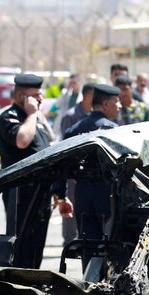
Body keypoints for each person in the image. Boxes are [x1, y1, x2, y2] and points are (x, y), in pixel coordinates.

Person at [0, 73, 73, 266]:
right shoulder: (9, 117)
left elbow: (47, 156)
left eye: (41, 95)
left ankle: (32, 281)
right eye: (36, 95)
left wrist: (59, 194)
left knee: (36, 246)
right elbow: (22, 141)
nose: (40, 99)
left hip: (41, 193)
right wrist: (31, 114)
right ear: (21, 95)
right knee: (21, 246)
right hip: (21, 195)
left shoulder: (37, 121)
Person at [63, 84, 122, 268]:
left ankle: (88, 285)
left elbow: (60, 161)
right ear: (105, 104)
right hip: (108, 195)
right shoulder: (115, 131)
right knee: (111, 244)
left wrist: (59, 194)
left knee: (88, 243)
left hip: (82, 194)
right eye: (116, 101)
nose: (119, 105)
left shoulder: (74, 130)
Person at [57, 82, 96, 245]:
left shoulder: (95, 117)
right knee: (70, 211)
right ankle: (69, 243)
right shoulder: (71, 116)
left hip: (88, 177)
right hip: (73, 175)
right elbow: (66, 147)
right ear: (88, 96)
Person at [49, 73, 82, 137]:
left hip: (75, 126)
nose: (72, 85)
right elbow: (57, 104)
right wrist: (67, 90)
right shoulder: (65, 94)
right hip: (63, 126)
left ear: (79, 83)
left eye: (74, 83)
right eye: (70, 83)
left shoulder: (82, 97)